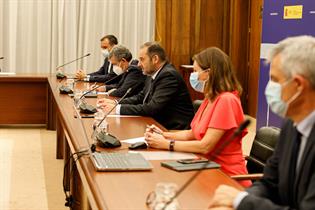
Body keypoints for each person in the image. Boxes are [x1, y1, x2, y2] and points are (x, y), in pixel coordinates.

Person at [209, 35, 315, 210]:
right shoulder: (292, 124)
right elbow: (269, 183)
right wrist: (235, 202)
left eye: (274, 79)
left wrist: (241, 201)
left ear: (298, 85)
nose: (269, 86)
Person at [144, 47, 251, 187]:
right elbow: (192, 133)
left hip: (225, 176)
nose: (193, 76)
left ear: (209, 73)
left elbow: (205, 146)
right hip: (205, 165)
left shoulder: (227, 100)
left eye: (196, 71)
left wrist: (167, 144)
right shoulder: (210, 98)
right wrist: (164, 135)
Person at [97, 42, 194, 130]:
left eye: (142, 59)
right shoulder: (152, 73)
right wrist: (115, 103)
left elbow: (151, 108)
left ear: (155, 59)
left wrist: (117, 109)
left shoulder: (168, 75)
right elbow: (141, 97)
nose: (138, 64)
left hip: (173, 130)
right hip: (156, 125)